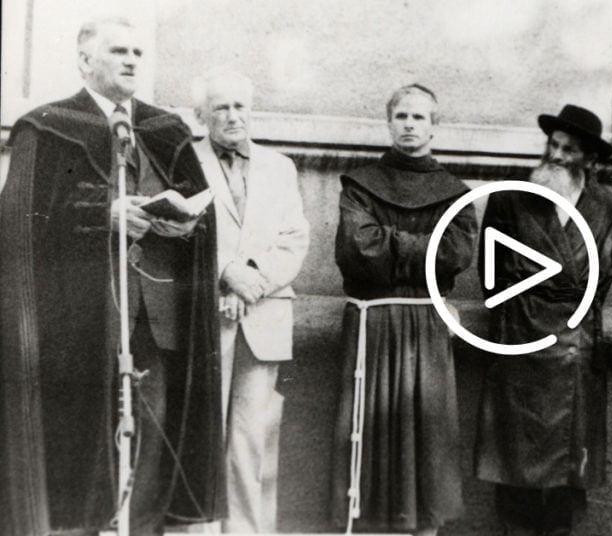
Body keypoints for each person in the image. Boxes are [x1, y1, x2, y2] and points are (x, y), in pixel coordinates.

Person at [0, 17, 223, 536]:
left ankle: (140, 529)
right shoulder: (48, 126)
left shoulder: (164, 129)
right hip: (79, 317)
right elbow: (20, 220)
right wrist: (104, 213)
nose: (131, 60)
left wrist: (185, 223)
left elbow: (201, 209)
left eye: (137, 53)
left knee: (153, 426)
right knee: (83, 431)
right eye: (119, 51)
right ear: (85, 60)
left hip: (157, 315)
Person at [331, 84, 477, 536]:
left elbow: (456, 254)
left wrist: (390, 242)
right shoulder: (359, 185)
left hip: (426, 324)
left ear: (435, 126)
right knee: (370, 430)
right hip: (372, 322)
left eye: (419, 117)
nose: (410, 125)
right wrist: (424, 248)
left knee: (426, 433)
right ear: (389, 122)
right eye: (402, 116)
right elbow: (359, 249)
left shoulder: (454, 193)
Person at [474, 104, 612, 536]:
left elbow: (601, 282)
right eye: (553, 145)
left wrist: (569, 310)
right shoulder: (510, 198)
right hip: (520, 341)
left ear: (589, 159)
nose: (556, 155)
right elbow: (490, 275)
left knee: (566, 471)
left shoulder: (608, 207)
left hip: (575, 349)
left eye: (569, 149)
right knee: (515, 464)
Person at [192, 70, 309, 533]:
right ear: (201, 115)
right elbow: (178, 233)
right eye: (220, 107)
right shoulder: (184, 161)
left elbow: (294, 240)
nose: (232, 116)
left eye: (240, 105)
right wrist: (226, 272)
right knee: (200, 433)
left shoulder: (280, 167)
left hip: (262, 316)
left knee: (251, 439)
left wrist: (250, 280)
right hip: (203, 315)